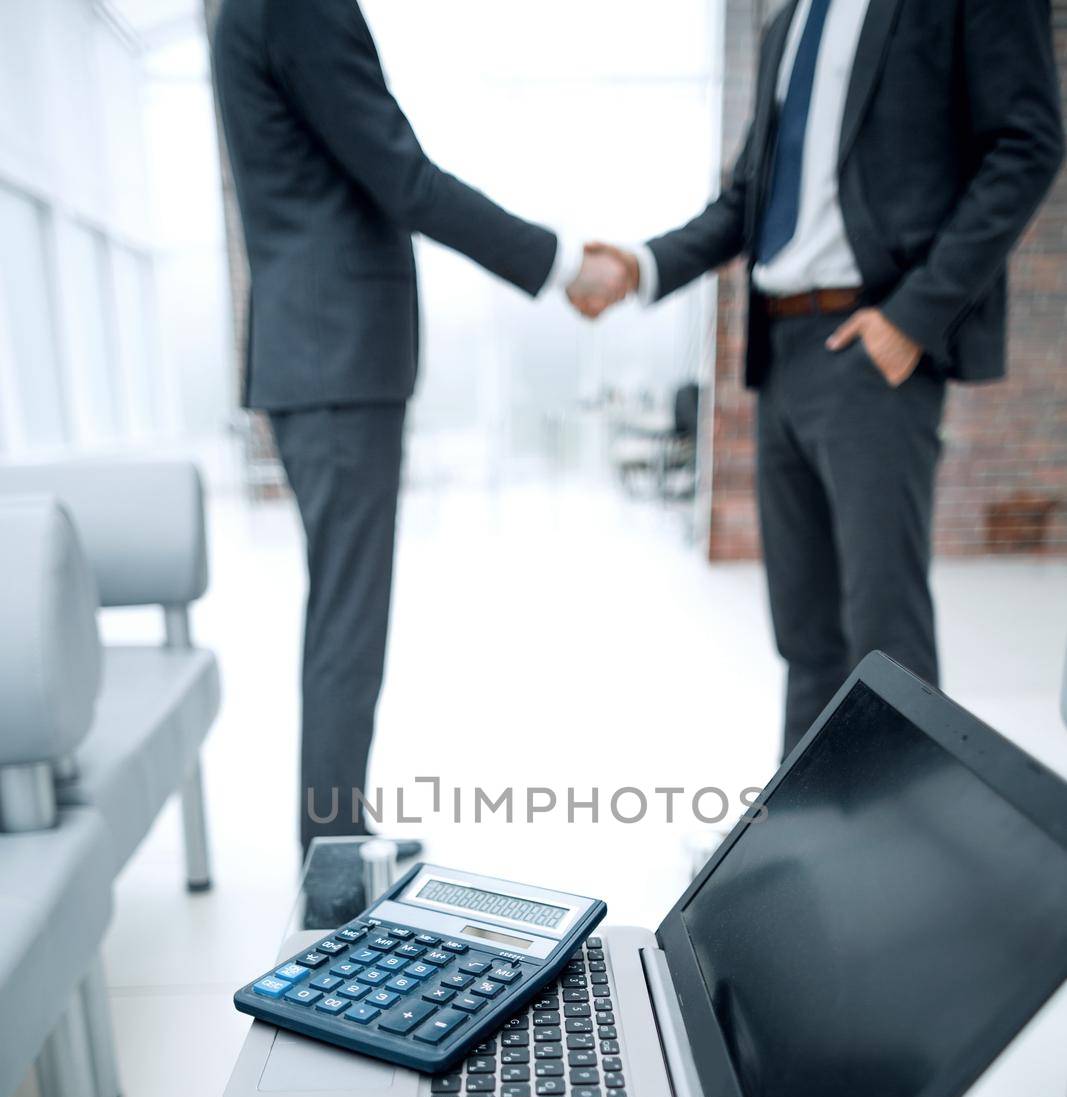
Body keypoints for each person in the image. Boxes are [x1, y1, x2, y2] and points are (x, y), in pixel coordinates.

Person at [579, 0, 1063, 756]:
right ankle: (806, 847)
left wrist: (913, 317)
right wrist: (640, 267)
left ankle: (899, 857)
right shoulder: (790, 22)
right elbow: (746, 199)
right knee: (804, 638)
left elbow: (1026, 144)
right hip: (781, 348)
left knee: (885, 641)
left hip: (874, 345)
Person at [212, 0, 626, 853]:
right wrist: (560, 264)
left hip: (317, 353)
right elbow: (401, 175)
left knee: (344, 609)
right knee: (349, 618)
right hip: (334, 355)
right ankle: (330, 857)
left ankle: (335, 834)